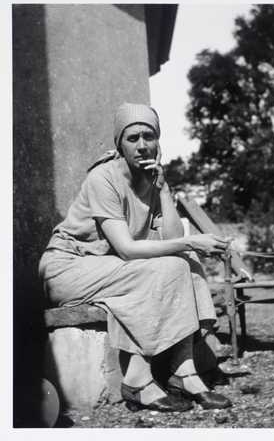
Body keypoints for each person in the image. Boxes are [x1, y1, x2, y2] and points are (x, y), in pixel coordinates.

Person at [39, 103, 243, 412]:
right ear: (118, 144)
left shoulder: (151, 178)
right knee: (171, 264)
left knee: (188, 264)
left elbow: (173, 241)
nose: (143, 145)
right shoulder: (103, 178)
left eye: (149, 136)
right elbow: (128, 249)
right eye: (133, 137)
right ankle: (138, 379)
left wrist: (161, 190)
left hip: (106, 267)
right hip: (67, 268)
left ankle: (185, 371)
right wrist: (191, 241)